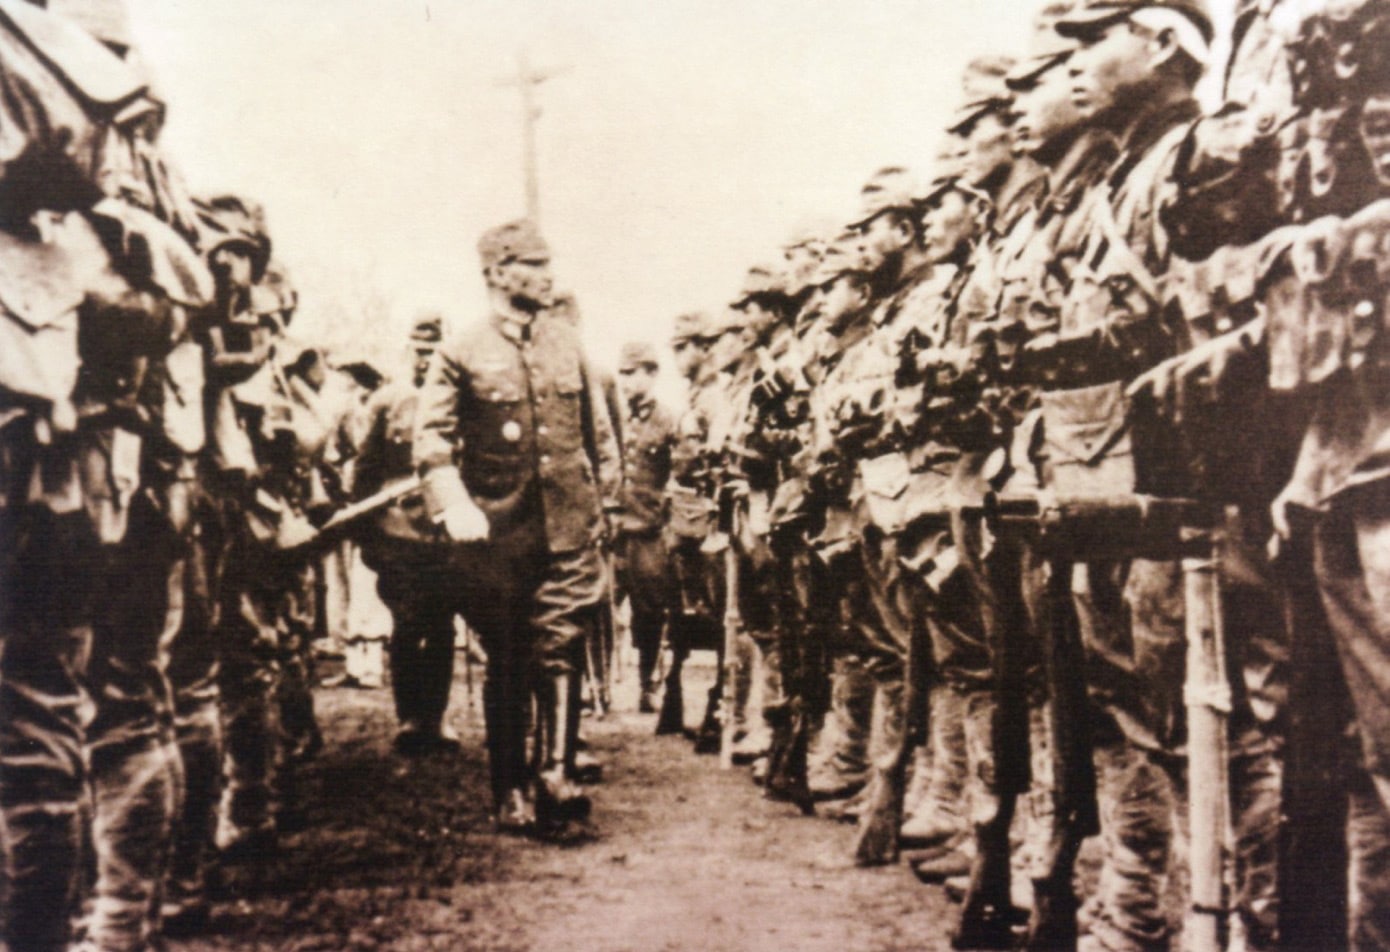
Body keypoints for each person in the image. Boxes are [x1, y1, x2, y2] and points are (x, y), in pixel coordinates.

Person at [413, 219, 620, 838]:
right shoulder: (461, 351)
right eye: (532, 265)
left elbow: (599, 435)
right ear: (497, 274)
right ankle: (509, 785)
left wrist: (602, 503)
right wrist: (454, 504)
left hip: (566, 526)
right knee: (507, 658)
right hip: (496, 534)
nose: (546, 275)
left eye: (547, 263)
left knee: (559, 643)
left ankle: (555, 775)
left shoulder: (568, 344)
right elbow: (431, 442)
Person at [354, 313, 462, 754]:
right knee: (406, 622)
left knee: (442, 627)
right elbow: (365, 470)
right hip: (397, 532)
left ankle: (435, 719)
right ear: (408, 352)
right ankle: (409, 718)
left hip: (443, 534)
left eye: (433, 353)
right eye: (419, 352)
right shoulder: (386, 402)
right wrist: (367, 537)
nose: (425, 361)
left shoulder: (461, 402)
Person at [612, 340, 677, 712]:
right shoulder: (613, 417)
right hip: (612, 531)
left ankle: (647, 685)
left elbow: (680, 474)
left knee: (649, 613)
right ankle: (596, 684)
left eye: (632, 373)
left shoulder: (668, 419)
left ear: (651, 375)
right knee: (598, 606)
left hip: (649, 532)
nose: (625, 381)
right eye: (621, 373)